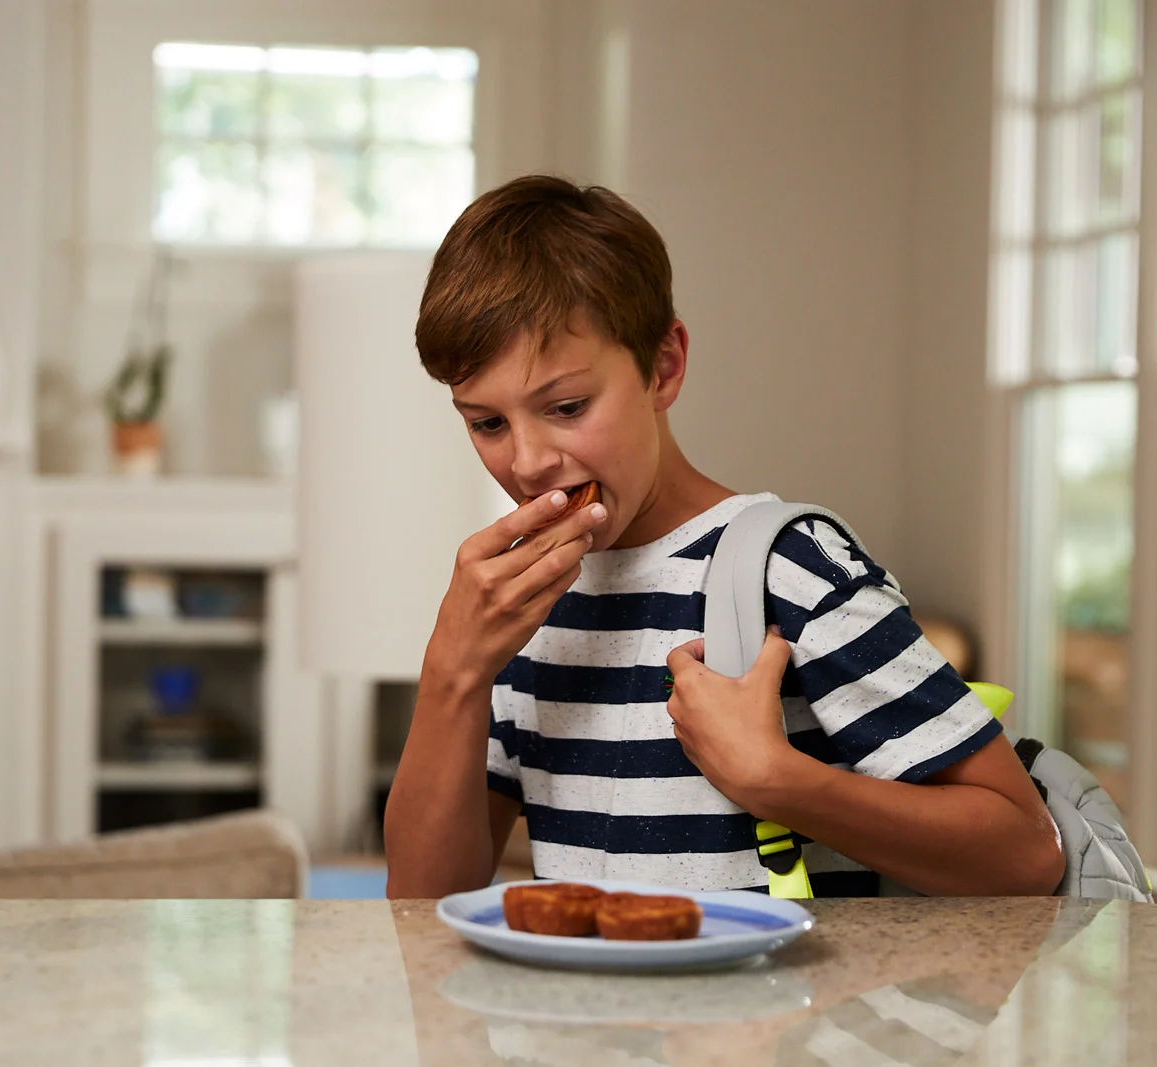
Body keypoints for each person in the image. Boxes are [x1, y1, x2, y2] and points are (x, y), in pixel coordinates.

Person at [382, 175, 1063, 899]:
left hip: (786, 1014)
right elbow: (424, 904)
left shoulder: (789, 570)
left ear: (664, 367)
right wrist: (452, 673)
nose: (525, 461)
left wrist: (776, 779)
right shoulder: (527, 605)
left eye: (568, 405)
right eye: (486, 422)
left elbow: (1024, 854)